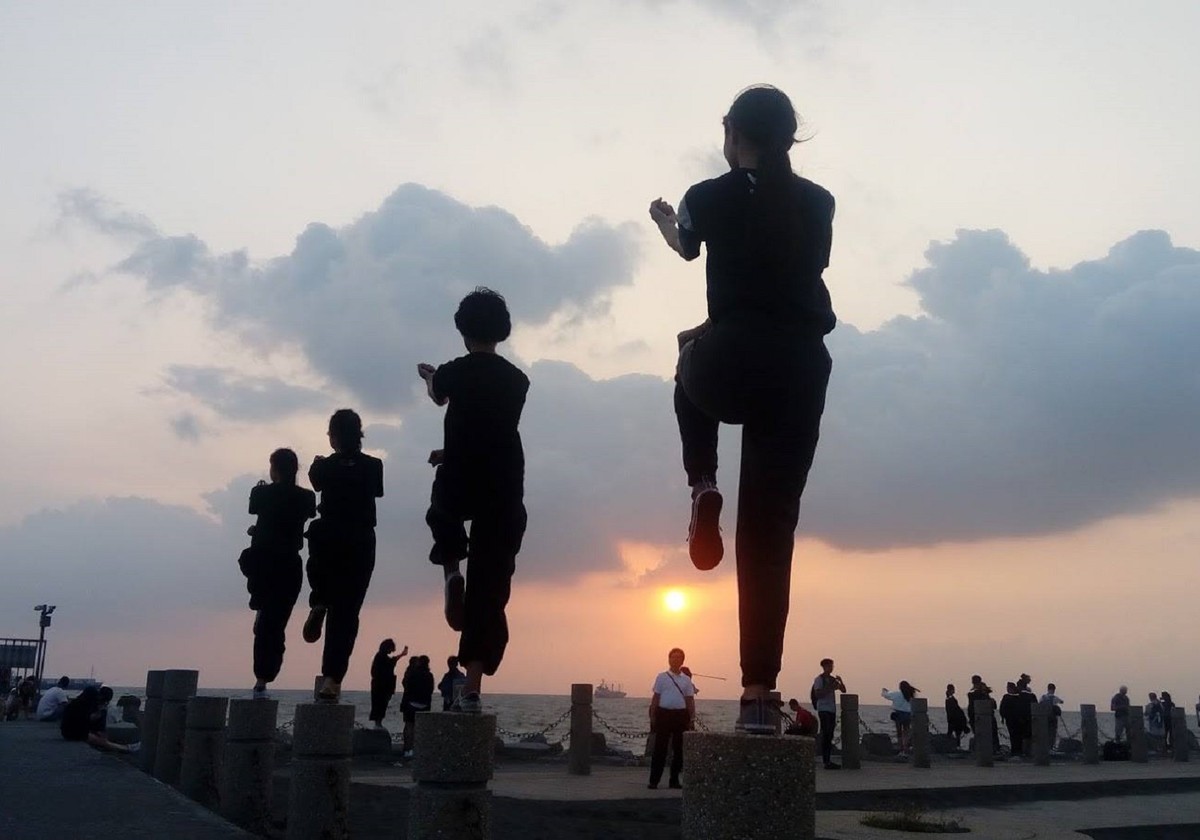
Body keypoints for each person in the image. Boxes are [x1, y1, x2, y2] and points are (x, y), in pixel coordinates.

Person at [648, 85, 835, 734]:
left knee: (685, 361)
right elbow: (794, 269)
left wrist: (664, 221)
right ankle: (759, 695)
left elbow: (685, 248)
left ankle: (702, 482)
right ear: (789, 137)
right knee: (770, 527)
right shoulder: (817, 202)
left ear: (732, 133)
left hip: (730, 353)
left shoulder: (708, 196)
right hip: (802, 365)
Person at [418, 288, 529, 714]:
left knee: (442, 511)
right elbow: (493, 430)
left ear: (463, 330)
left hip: (461, 473)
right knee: (491, 584)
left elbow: (439, 396)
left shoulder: (453, 371)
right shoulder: (518, 380)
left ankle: (450, 568)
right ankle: (473, 689)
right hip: (503, 481)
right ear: (502, 331)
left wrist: (430, 376)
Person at [302, 409, 385, 702]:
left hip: (329, 537)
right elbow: (376, 491)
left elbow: (316, 483)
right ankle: (332, 680)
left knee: (319, 565)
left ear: (333, 436)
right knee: (347, 614)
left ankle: (320, 599)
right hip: (360, 539)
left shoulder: (324, 467)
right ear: (359, 435)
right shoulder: (374, 466)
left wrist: (318, 465)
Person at [241, 448, 317, 699]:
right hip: (288, 563)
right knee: (276, 624)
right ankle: (264, 678)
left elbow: (261, 513)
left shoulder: (260, 492)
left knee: (266, 623)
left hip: (263, 561)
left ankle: (261, 679)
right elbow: (294, 519)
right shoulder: (306, 497)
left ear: (273, 468)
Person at [647, 648, 695, 789]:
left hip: (680, 715)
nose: (675, 660)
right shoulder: (661, 677)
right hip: (664, 714)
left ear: (682, 660)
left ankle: (674, 780)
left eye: (678, 657)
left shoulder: (686, 680)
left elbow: (690, 700)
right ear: (669, 659)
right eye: (673, 657)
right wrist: (653, 714)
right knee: (659, 749)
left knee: (679, 750)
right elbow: (656, 697)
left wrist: (692, 717)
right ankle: (654, 780)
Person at [60, 686, 138, 754]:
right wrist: (100, 713)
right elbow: (87, 719)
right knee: (102, 742)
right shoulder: (80, 706)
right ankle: (125, 748)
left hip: (69, 731)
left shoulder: (76, 704)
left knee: (99, 739)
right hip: (73, 733)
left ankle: (124, 747)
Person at [811, 658, 846, 769]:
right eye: (830, 666)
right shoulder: (819, 679)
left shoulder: (832, 679)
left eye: (832, 666)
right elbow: (818, 694)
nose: (831, 668)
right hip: (823, 709)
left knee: (830, 733)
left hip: (831, 709)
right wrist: (830, 687)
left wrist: (841, 682)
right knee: (826, 733)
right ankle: (826, 761)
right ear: (824, 666)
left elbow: (843, 690)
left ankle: (828, 759)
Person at [369, 639, 408, 729]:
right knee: (380, 704)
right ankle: (378, 723)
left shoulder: (380, 656)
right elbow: (391, 662)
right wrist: (402, 654)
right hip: (381, 685)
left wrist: (401, 654)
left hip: (381, 685)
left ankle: (378, 723)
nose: (391, 650)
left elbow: (392, 661)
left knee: (381, 704)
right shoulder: (381, 657)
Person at [400, 656, 435, 756]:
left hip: (411, 703)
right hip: (424, 704)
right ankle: (418, 749)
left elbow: (407, 686)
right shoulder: (429, 675)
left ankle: (408, 749)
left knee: (409, 726)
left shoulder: (412, 674)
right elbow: (431, 690)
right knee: (421, 728)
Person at [882, 682, 918, 754]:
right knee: (906, 731)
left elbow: (886, 695)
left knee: (899, 732)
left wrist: (884, 691)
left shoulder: (897, 694)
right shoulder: (910, 695)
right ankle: (906, 746)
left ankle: (901, 747)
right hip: (908, 714)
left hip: (898, 714)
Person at [966, 676, 999, 754]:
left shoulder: (974, 694)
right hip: (984, 717)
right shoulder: (979, 694)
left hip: (981, 718)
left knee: (983, 735)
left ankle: (989, 751)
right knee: (989, 736)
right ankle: (992, 750)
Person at [999, 682, 1023, 756]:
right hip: (1017, 719)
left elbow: (1002, 708)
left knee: (1013, 735)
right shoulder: (1019, 697)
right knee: (1017, 735)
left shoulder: (1007, 697)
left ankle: (1015, 750)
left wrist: (1003, 717)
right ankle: (1018, 750)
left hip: (1011, 719)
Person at [945, 684, 969, 749]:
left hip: (954, 719)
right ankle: (954, 746)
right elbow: (954, 709)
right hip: (954, 719)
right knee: (954, 733)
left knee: (955, 733)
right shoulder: (949, 699)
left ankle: (954, 746)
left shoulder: (950, 698)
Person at [1040, 683, 1064, 748]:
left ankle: (1044, 746)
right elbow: (1062, 702)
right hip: (1053, 718)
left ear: (1047, 689)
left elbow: (1040, 703)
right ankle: (1051, 746)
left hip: (1044, 717)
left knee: (1045, 732)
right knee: (1052, 732)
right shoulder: (1055, 698)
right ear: (1054, 690)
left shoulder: (1043, 697)